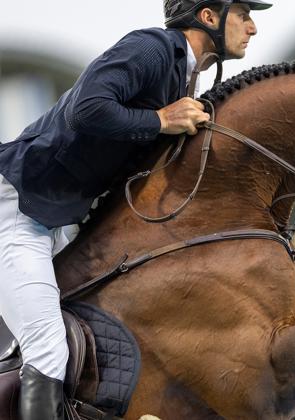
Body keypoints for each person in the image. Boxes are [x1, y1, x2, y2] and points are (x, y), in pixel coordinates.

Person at [0, 0, 271, 417]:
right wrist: (160, 121)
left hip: (55, 218)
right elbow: (85, 109)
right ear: (209, 16)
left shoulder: (183, 78)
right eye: (244, 15)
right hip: (16, 209)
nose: (252, 27)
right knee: (49, 346)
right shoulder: (152, 47)